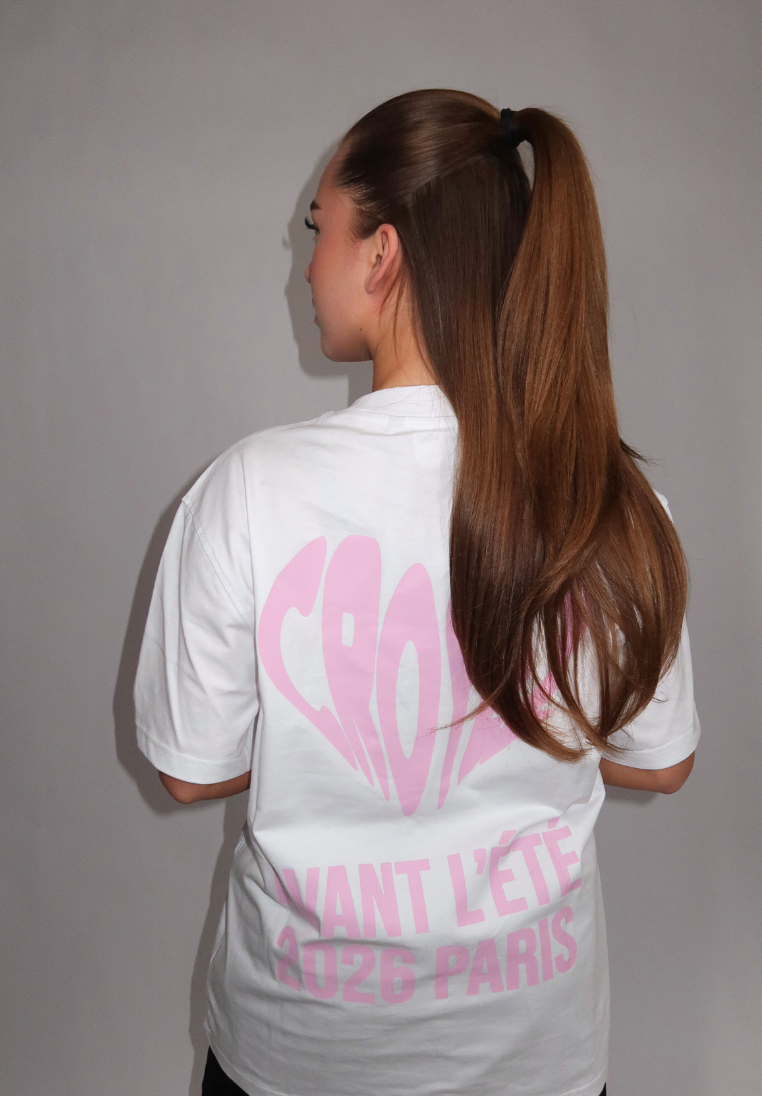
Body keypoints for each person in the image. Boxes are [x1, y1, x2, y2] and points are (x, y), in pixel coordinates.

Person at [134, 89, 699, 1096]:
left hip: (299, 1053)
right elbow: (661, 762)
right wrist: (519, 735)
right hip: (536, 1057)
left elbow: (188, 769)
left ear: (382, 253)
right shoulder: (608, 499)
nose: (305, 265)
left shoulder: (251, 488)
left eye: (319, 229)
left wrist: (325, 745)